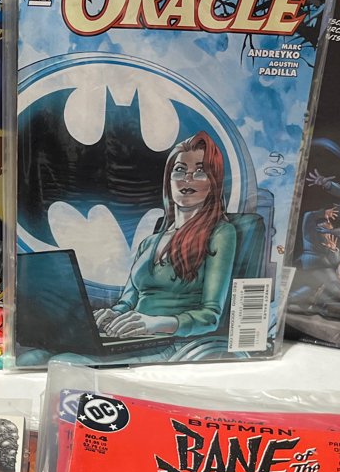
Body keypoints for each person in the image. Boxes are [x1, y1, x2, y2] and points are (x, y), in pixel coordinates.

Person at [94, 131, 244, 347]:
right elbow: (128, 301)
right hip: (128, 338)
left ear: (214, 182)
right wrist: (114, 313)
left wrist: (154, 324)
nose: (188, 179)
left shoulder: (221, 233)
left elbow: (210, 316)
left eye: (200, 172)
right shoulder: (149, 242)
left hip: (172, 344)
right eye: (180, 170)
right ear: (169, 180)